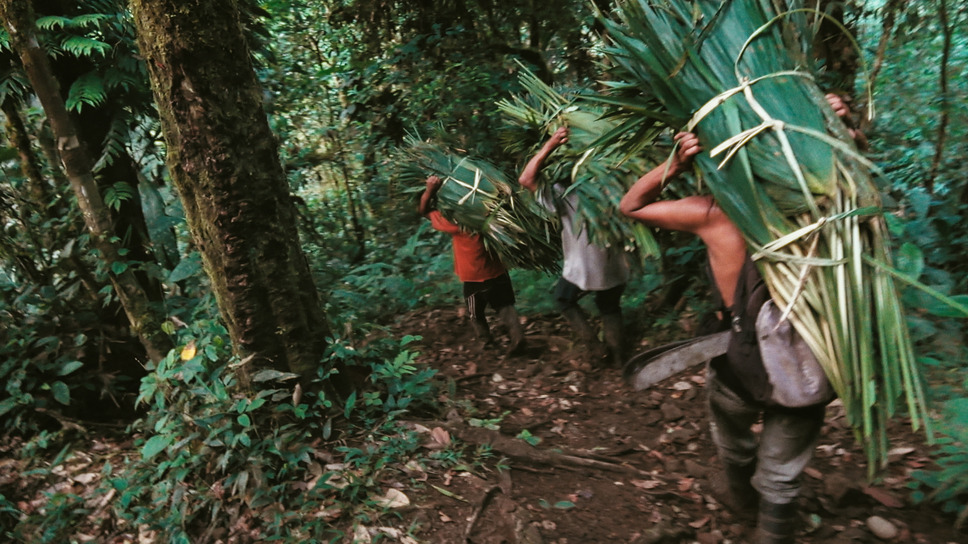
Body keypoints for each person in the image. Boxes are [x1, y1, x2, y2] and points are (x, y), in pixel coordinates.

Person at [619, 114, 852, 543]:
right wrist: (839, 128)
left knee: (732, 433)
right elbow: (857, 176)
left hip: (739, 364)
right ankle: (771, 529)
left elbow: (629, 206)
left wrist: (675, 164)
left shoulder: (715, 214)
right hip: (811, 363)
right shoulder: (833, 213)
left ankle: (741, 500)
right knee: (784, 468)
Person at [518, 126, 630, 367]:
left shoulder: (563, 194)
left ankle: (597, 348)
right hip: (617, 263)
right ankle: (619, 357)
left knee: (563, 299)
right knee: (610, 306)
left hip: (585, 265)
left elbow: (526, 179)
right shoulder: (614, 186)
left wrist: (549, 145)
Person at [418, 175, 525, 354]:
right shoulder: (490, 215)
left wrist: (430, 190)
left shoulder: (455, 224)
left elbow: (423, 211)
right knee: (505, 307)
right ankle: (518, 337)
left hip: (474, 278)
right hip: (498, 272)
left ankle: (486, 342)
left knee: (476, 313)